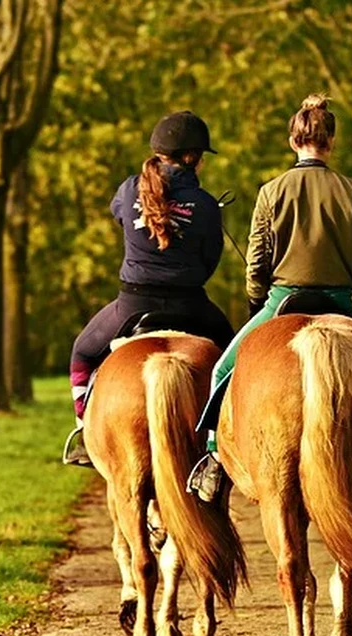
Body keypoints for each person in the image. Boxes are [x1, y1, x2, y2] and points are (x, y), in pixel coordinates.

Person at [187, 93, 352, 501]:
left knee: (221, 372)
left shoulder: (271, 190)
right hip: (342, 300)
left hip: (282, 299)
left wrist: (257, 301)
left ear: (293, 141)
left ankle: (214, 460)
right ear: (331, 142)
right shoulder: (351, 189)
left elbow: (257, 259)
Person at [63, 111, 235, 467]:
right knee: (235, 360)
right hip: (191, 306)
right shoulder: (204, 204)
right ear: (191, 158)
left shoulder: (129, 189)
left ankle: (83, 431)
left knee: (82, 353)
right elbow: (210, 260)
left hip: (132, 303)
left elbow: (119, 216)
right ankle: (225, 441)